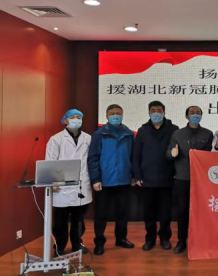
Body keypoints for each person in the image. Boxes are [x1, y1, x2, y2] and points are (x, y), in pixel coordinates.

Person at [88, 104, 135, 256]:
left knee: (122, 213)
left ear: (123, 115)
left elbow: (133, 156)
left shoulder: (129, 134)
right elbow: (93, 158)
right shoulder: (99, 134)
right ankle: (99, 242)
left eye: (118, 113)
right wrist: (95, 179)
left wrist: (133, 175)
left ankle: (121, 238)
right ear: (107, 116)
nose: (116, 116)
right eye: (112, 113)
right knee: (101, 214)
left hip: (124, 179)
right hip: (104, 181)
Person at [133, 101, 178, 252]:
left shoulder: (174, 130)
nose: (156, 113)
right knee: (149, 213)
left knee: (165, 213)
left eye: (159, 110)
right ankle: (150, 239)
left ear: (164, 112)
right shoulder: (143, 130)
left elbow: (177, 154)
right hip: (147, 179)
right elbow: (136, 155)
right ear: (149, 113)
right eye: (153, 110)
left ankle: (165, 238)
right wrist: (137, 176)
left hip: (167, 178)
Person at [46, 109, 92, 256]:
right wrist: (53, 182)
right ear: (65, 120)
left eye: (79, 117)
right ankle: (59, 246)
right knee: (61, 219)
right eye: (73, 117)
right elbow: (50, 161)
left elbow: (91, 160)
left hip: (82, 184)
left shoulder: (88, 138)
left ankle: (77, 243)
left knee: (79, 219)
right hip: (61, 186)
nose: (76, 120)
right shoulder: (56, 139)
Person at [168, 106, 214, 254]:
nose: (195, 115)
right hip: (182, 178)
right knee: (182, 211)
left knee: (201, 211)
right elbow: (168, 153)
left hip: (201, 180)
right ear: (187, 116)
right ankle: (182, 240)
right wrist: (172, 154)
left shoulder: (208, 134)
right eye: (192, 113)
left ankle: (199, 240)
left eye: (198, 113)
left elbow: (210, 156)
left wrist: (217, 149)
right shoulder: (178, 134)